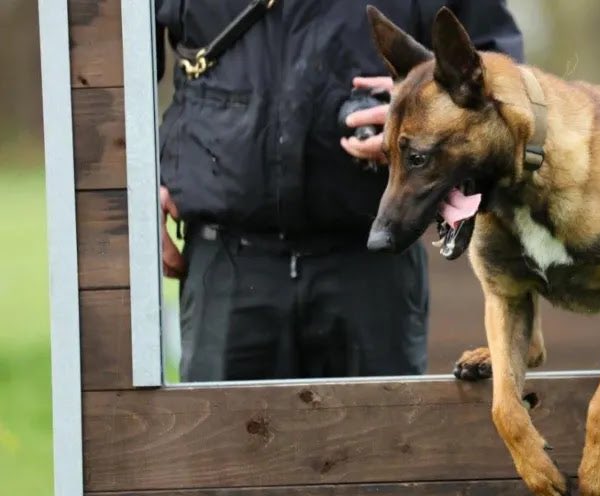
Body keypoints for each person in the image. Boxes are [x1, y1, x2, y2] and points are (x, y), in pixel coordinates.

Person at [152, 1, 525, 381]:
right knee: (218, 439)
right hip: (224, 261)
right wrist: (136, 187)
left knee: (380, 439)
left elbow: (502, 80)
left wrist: (421, 113)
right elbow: (109, 69)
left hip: (374, 260)